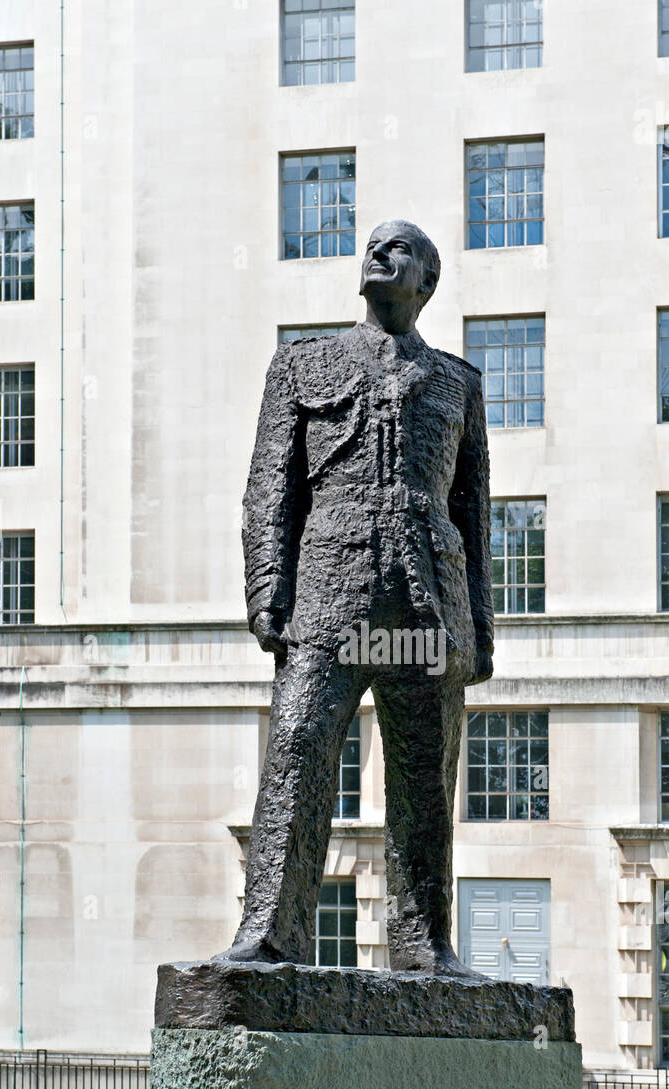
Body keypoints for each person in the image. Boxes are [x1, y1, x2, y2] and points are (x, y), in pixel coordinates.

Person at [219, 220, 493, 977]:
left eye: (399, 248)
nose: (378, 253)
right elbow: (269, 487)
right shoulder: (302, 365)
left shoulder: (458, 384)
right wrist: (267, 588)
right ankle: (269, 934)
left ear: (426, 282)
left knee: (426, 775)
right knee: (298, 748)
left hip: (429, 603)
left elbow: (473, 513)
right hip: (327, 596)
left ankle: (423, 944)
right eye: (374, 245)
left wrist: (481, 629)